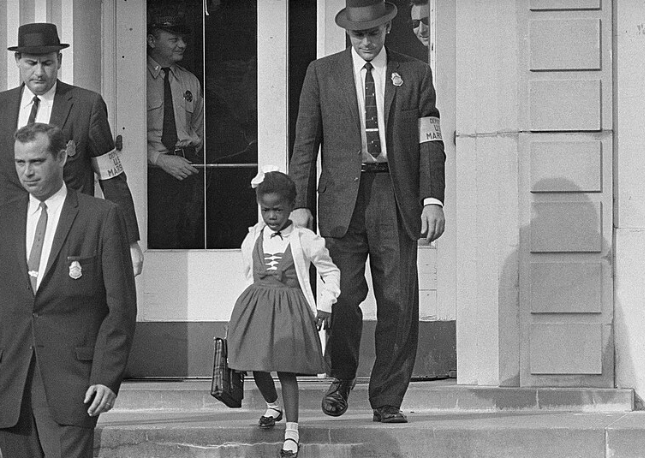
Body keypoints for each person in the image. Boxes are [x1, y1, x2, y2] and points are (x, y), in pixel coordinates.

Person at [289, 0, 446, 424]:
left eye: (373, 33)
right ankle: (340, 378)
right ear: (347, 33)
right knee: (343, 296)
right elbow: (305, 145)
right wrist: (300, 205)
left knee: (398, 299)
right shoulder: (321, 74)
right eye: (358, 34)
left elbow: (430, 141)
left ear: (387, 29)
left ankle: (388, 397)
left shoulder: (414, 73)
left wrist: (432, 199)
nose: (365, 41)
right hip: (341, 200)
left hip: (395, 197)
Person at [0, 123, 137, 458]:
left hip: (74, 385)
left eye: (37, 162)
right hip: (12, 384)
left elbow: (121, 307)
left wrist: (106, 376)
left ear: (62, 156)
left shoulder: (101, 217)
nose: (27, 172)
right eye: (20, 163)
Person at [0, 22, 143, 276]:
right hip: (9, 235)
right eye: (31, 63)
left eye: (47, 63)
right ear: (18, 60)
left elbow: (111, 176)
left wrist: (129, 241)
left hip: (68, 237)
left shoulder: (86, 105)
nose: (39, 72)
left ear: (59, 60)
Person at [226, 168, 340, 458]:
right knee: (256, 363)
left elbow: (330, 271)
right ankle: (272, 405)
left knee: (287, 369)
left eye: (278, 209)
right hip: (257, 307)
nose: (272, 216)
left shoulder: (305, 239)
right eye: (266, 210)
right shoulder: (253, 238)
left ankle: (292, 429)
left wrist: (326, 303)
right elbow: (250, 273)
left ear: (291, 207)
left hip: (290, 309)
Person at [146, 11, 205, 249]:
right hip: (151, 174)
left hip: (186, 171)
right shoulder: (135, 79)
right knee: (159, 241)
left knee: (189, 239)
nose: (182, 44)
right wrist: (159, 160)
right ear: (152, 41)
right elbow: (123, 136)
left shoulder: (190, 81)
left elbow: (197, 130)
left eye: (183, 39)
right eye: (173, 39)